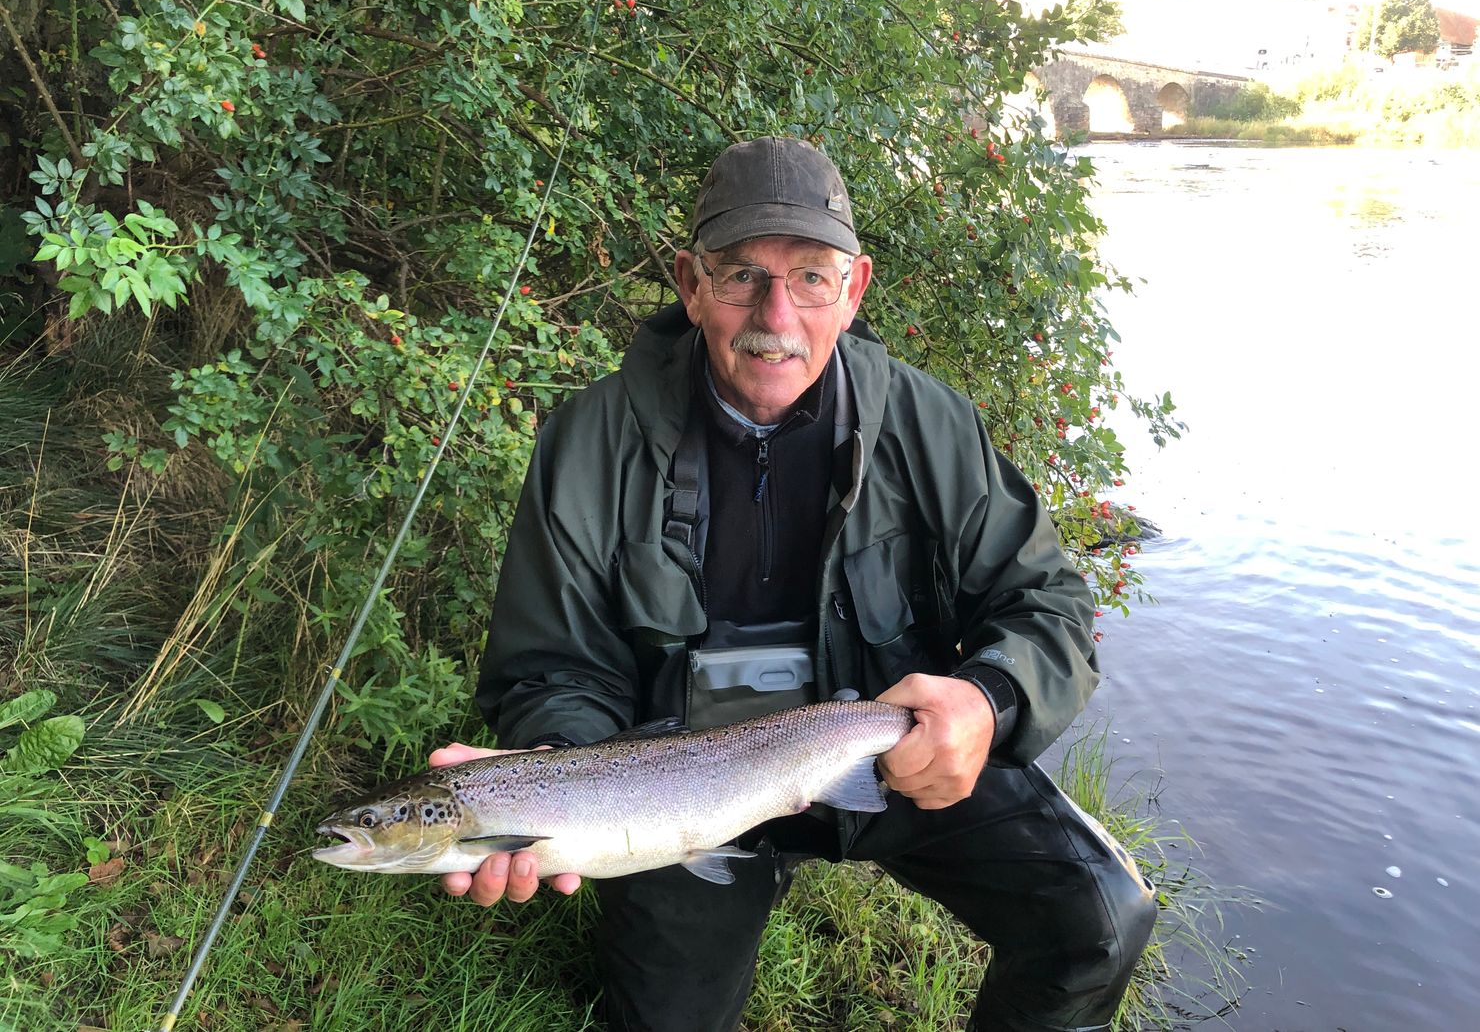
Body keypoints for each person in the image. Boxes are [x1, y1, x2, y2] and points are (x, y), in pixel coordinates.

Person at [431, 137, 1157, 1032]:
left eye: (811, 277)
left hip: (891, 763)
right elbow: (552, 665)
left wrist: (989, 702)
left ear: (853, 291)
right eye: (742, 275)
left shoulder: (928, 423)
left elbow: (1049, 602)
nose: (775, 315)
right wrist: (553, 772)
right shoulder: (590, 440)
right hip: (680, 796)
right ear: (692, 285)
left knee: (1100, 922)